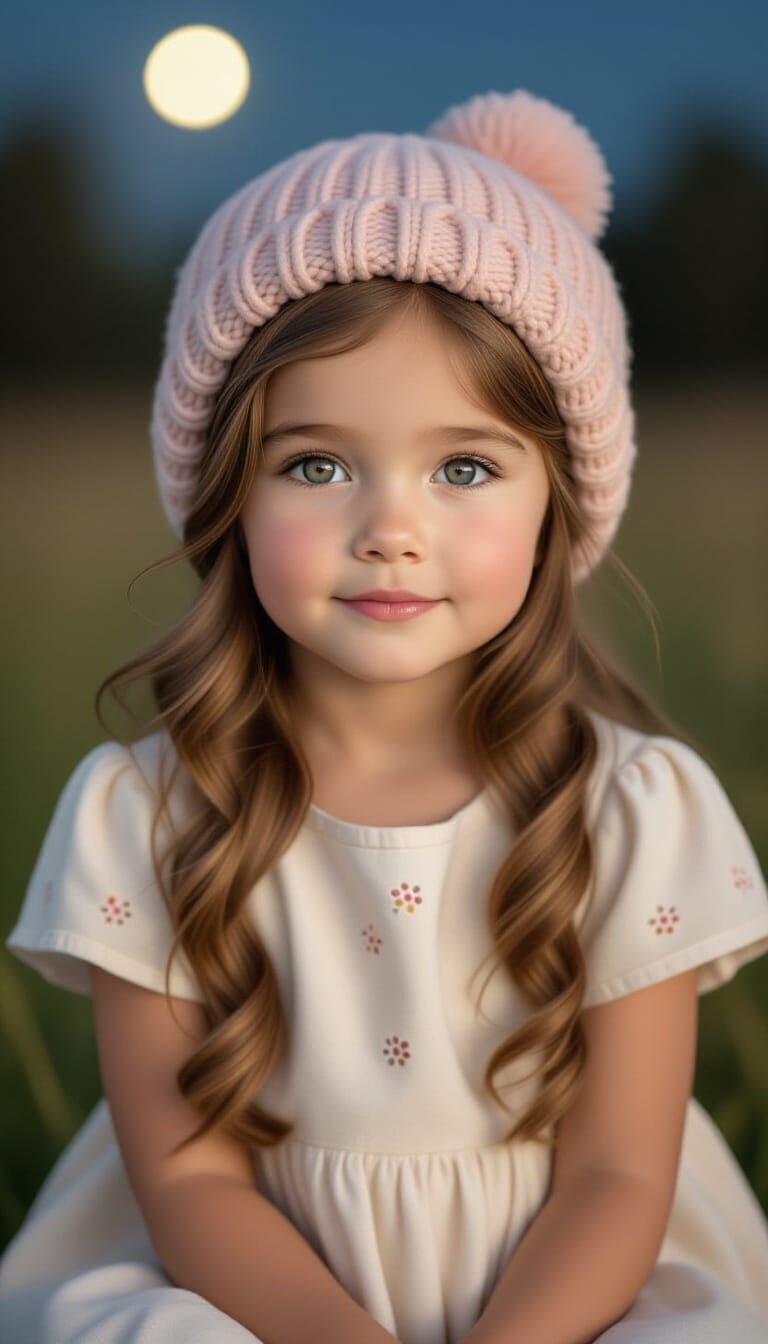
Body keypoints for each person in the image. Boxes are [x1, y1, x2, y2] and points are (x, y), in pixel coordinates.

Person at [1, 86, 767, 1344]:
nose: (391, 529)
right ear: (225, 498)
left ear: (555, 503)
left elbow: (622, 1176)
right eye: (315, 464)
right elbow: (190, 1179)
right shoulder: (145, 812)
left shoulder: (630, 807)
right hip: (251, 1294)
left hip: (575, 1292)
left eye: (464, 466)